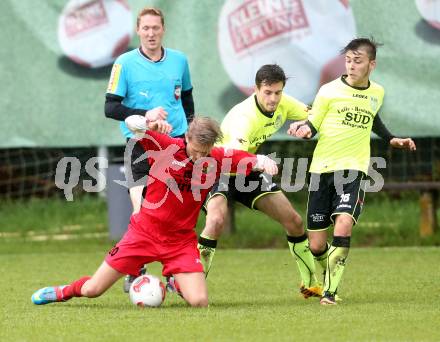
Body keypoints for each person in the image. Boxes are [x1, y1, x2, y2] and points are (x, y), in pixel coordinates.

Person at [31, 117, 278, 308]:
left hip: (180, 242)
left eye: (206, 151)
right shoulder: (165, 145)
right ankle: (64, 291)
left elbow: (249, 159)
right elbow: (134, 128)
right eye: (196, 150)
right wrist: (141, 121)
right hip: (143, 234)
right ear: (187, 138)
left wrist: (264, 161)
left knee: (200, 302)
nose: (200, 156)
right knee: (93, 290)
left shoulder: (217, 157)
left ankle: (174, 279)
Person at [288, 38, 416, 305]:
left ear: (372, 64)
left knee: (344, 222)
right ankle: (324, 279)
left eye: (357, 61)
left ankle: (330, 293)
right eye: (348, 60)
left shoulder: (377, 92)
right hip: (321, 171)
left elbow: (373, 116)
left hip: (353, 170)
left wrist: (390, 138)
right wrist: (303, 131)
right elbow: (313, 124)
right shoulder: (328, 91)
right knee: (316, 246)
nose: (351, 65)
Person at [196, 64, 322, 299]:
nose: (273, 99)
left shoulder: (284, 102)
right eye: (267, 93)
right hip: (221, 168)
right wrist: (260, 160)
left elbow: (315, 115)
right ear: (255, 89)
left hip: (248, 168)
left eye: (277, 92)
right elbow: (233, 159)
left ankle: (311, 284)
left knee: (293, 221)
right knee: (215, 221)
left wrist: (307, 125)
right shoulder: (243, 117)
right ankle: (193, 284)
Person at [104, 7, 195, 291]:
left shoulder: (179, 61)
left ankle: (174, 272)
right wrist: (147, 115)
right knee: (141, 209)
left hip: (177, 144)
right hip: (140, 144)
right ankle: (135, 267)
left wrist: (190, 132)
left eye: (156, 28)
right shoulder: (124, 62)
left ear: (163, 29)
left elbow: (188, 100)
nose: (151, 33)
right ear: (138, 30)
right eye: (146, 28)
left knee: (174, 211)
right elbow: (110, 108)